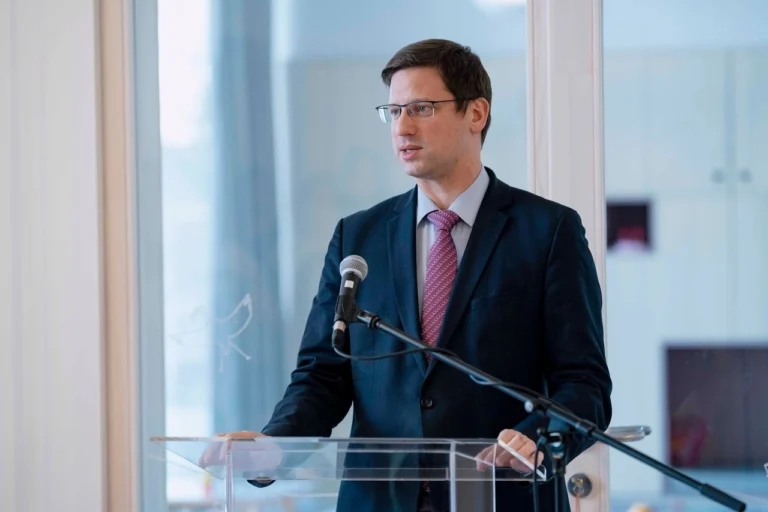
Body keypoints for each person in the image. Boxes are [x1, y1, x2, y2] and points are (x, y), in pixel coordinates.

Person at [205, 38, 612, 511]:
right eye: (394, 111)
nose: (403, 127)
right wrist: (273, 446)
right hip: (379, 500)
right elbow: (322, 375)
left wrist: (539, 437)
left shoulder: (548, 231)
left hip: (502, 496)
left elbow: (584, 383)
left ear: (476, 113)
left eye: (421, 108)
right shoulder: (358, 237)